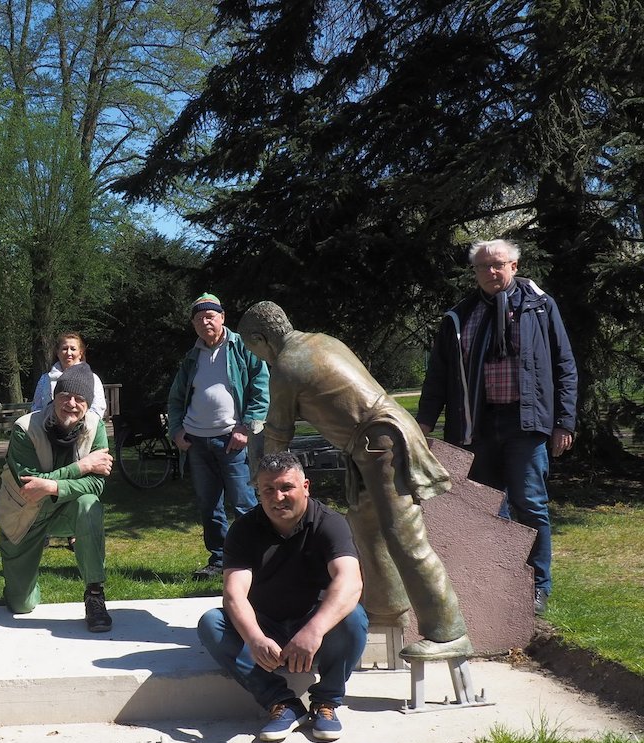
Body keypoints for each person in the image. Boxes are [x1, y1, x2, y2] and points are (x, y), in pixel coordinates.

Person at [238, 300, 470, 662]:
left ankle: (448, 631)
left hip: (380, 443)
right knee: (365, 525)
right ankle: (386, 610)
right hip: (373, 444)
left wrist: (264, 478)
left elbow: (278, 435)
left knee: (404, 536)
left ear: (259, 338)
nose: (257, 357)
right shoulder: (319, 341)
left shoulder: (285, 365)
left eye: (253, 349)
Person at [417, 239, 577, 614]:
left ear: (514, 266)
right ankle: (498, 580)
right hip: (476, 425)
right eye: (483, 267)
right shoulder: (460, 316)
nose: (491, 272)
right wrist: (424, 421)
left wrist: (564, 421)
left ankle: (538, 586)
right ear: (474, 273)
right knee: (485, 507)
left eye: (498, 265)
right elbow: (438, 374)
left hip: (527, 423)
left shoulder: (539, 306)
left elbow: (564, 365)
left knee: (530, 505)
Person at [197, 452, 368, 742]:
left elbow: (350, 581)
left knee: (354, 617)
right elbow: (234, 593)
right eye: (268, 490)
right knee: (211, 623)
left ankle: (326, 701)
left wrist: (312, 631)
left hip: (314, 625)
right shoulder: (244, 529)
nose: (278, 497)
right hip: (266, 625)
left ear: (306, 487)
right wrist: (254, 638)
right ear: (258, 493)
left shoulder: (330, 523)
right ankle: (282, 703)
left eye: (286, 487)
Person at [0, 363, 115, 632]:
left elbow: (96, 485)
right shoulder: (24, 428)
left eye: (80, 399)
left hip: (65, 510)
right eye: (65, 397)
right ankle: (24, 585)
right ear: (54, 397)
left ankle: (94, 595)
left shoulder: (95, 427)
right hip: (23, 515)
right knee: (20, 604)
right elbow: (29, 486)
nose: (71, 404)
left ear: (87, 404)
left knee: (89, 505)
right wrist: (82, 467)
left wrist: (51, 487)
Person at [167, 293, 270, 580]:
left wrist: (246, 428)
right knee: (209, 504)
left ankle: (257, 558)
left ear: (222, 318)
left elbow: (261, 389)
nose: (205, 322)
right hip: (196, 442)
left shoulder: (242, 348)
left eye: (210, 316)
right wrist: (176, 430)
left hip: (232, 440)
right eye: (199, 319)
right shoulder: (192, 357)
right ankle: (220, 559)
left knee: (243, 501)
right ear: (194, 325)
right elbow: (175, 399)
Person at [30, 332, 108, 420]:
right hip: (48, 429)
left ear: (80, 353)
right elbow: (37, 408)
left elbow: (97, 409)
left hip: (83, 431)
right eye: (64, 348)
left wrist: (80, 426)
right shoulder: (45, 379)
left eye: (73, 349)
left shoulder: (93, 378)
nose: (68, 353)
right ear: (57, 352)